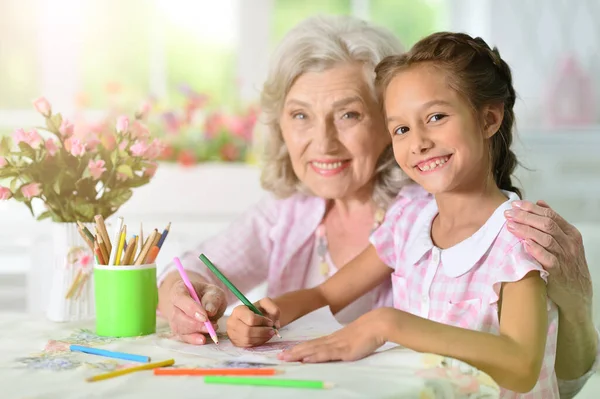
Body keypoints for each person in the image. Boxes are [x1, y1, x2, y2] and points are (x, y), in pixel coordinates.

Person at [156, 16, 598, 398]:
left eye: (437, 117)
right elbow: (326, 294)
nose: (419, 141)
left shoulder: (519, 235)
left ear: (489, 119)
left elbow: (523, 365)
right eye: (402, 127)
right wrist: (266, 312)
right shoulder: (410, 222)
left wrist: (388, 324)